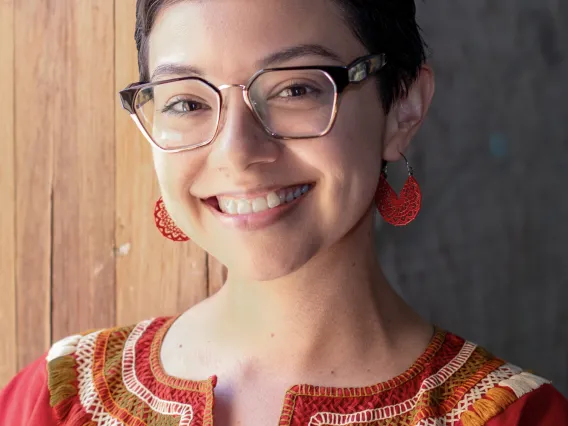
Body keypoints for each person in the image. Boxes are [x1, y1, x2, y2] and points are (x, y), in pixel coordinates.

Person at [1, 0, 567, 424]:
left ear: (402, 107)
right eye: (187, 102)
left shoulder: (516, 416)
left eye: (296, 89)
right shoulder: (56, 400)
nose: (238, 154)